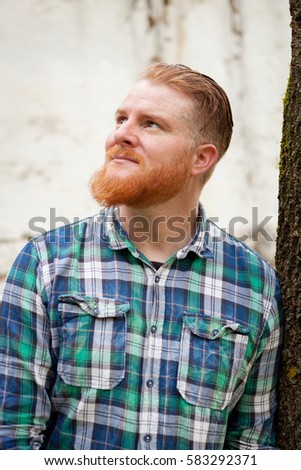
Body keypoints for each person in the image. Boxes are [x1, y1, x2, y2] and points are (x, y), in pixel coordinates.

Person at [0, 62, 283, 450]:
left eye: (150, 124)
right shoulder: (46, 263)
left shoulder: (255, 285)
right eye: (121, 118)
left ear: (201, 158)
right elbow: (10, 436)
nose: (121, 134)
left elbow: (250, 447)